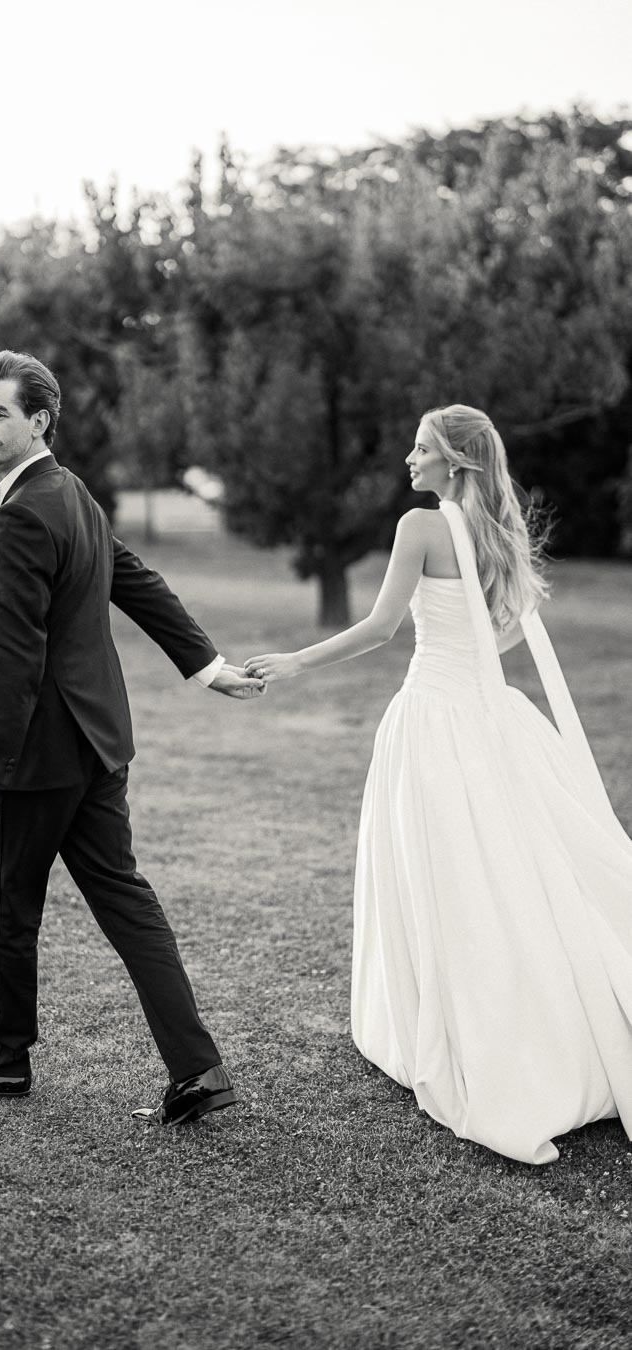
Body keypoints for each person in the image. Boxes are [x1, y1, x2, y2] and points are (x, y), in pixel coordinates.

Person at [245, 403, 632, 1165]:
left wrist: (295, 662)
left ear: (455, 463)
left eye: (421, 450)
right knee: (524, 873)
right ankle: (556, 1028)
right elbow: (512, 627)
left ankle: (484, 1032)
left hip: (434, 720)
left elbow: (385, 627)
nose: (408, 461)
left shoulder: (420, 527)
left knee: (453, 879)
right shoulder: (501, 532)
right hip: (498, 721)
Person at [0, 349, 265, 1125]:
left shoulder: (24, 512)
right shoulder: (69, 491)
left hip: (42, 759)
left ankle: (3, 1065)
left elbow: (17, 658)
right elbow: (132, 576)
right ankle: (198, 1071)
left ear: (38, 419)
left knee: (9, 907)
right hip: (100, 747)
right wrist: (206, 667)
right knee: (126, 902)